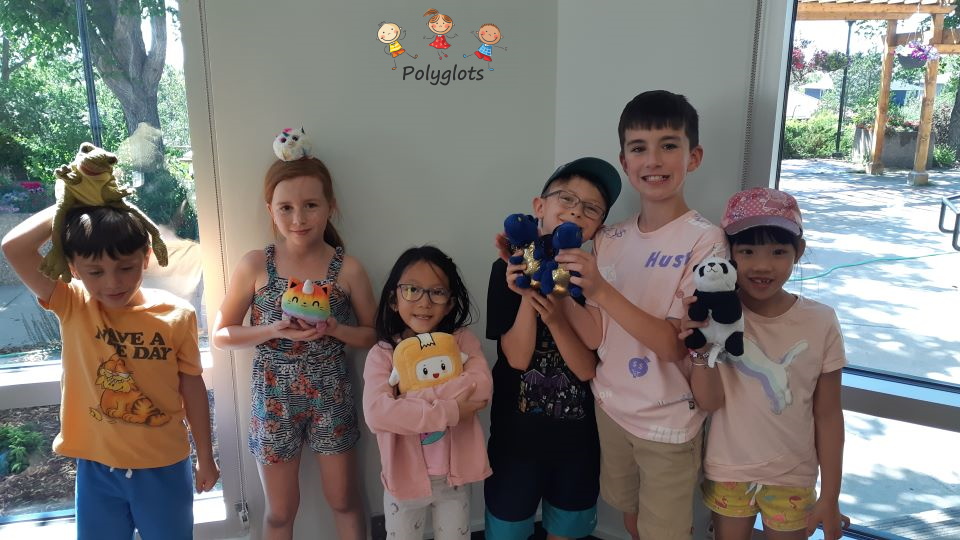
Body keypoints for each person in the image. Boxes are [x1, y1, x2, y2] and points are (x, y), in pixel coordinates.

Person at [554, 90, 727, 540]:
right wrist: (556, 292)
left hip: (668, 423)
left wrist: (601, 290)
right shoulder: (608, 238)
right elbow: (596, 335)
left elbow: (673, 345)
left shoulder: (706, 242)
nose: (653, 160)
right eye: (639, 147)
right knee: (629, 516)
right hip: (611, 408)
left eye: (669, 145)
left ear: (693, 157)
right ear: (625, 161)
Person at [1, 204, 219, 540]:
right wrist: (71, 201)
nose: (113, 282)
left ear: (146, 257)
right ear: (73, 268)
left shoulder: (177, 315)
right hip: (97, 469)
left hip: (164, 466)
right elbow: (14, 248)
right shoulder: (72, 303)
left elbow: (192, 386)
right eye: (95, 272)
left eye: (125, 267)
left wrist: (206, 455)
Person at [212, 154, 377, 540]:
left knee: (344, 501)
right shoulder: (256, 265)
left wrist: (336, 329)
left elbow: (372, 335)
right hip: (273, 399)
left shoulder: (348, 269)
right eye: (286, 207)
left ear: (330, 207)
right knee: (280, 511)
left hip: (331, 395)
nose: (298, 218)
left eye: (311, 205)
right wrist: (271, 330)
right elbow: (221, 334)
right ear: (270, 209)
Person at [679, 188, 849, 540]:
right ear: (729, 254)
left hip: (794, 476)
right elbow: (709, 401)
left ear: (798, 251)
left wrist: (831, 495)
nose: (762, 265)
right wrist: (699, 347)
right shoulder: (716, 319)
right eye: (747, 251)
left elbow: (829, 414)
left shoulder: (821, 321)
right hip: (728, 471)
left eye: (778, 251)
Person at [484, 157, 622, 540]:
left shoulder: (595, 280)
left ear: (597, 228)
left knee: (569, 529)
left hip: (576, 442)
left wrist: (558, 314)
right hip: (515, 440)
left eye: (591, 208)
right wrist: (529, 287)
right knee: (507, 530)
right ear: (539, 207)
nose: (576, 211)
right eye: (567, 198)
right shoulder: (505, 270)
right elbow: (517, 358)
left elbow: (587, 368)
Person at [363, 246, 493, 540]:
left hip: (454, 480)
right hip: (403, 481)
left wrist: (404, 401)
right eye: (412, 290)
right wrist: (451, 411)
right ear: (394, 299)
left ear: (449, 303)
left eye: (437, 292)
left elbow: (480, 388)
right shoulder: (383, 354)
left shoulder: (462, 342)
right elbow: (377, 415)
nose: (424, 302)